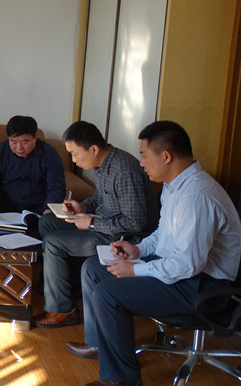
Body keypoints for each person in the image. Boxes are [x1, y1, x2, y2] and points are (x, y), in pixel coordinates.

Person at [66, 121, 241, 386]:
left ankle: (122, 380)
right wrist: (138, 250)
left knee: (108, 294)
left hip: (203, 287)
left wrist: (135, 269)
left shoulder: (197, 196)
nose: (142, 163)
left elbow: (187, 265)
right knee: (93, 269)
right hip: (181, 270)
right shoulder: (174, 186)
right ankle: (101, 345)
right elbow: (163, 233)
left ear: (166, 156)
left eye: (145, 156)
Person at [35, 121, 159, 329]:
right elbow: (100, 199)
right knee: (47, 222)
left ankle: (63, 310)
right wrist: (82, 207)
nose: (73, 160)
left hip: (123, 237)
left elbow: (135, 223)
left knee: (53, 243)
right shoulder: (102, 165)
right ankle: (70, 285)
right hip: (104, 224)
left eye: (74, 154)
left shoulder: (124, 171)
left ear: (93, 149)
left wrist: (92, 223)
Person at [0, 115, 66, 219]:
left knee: (48, 222)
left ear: (35, 137)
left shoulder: (49, 154)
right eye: (13, 141)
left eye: (25, 142)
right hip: (6, 205)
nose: (19, 148)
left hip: (39, 206)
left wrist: (49, 209)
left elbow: (56, 186)